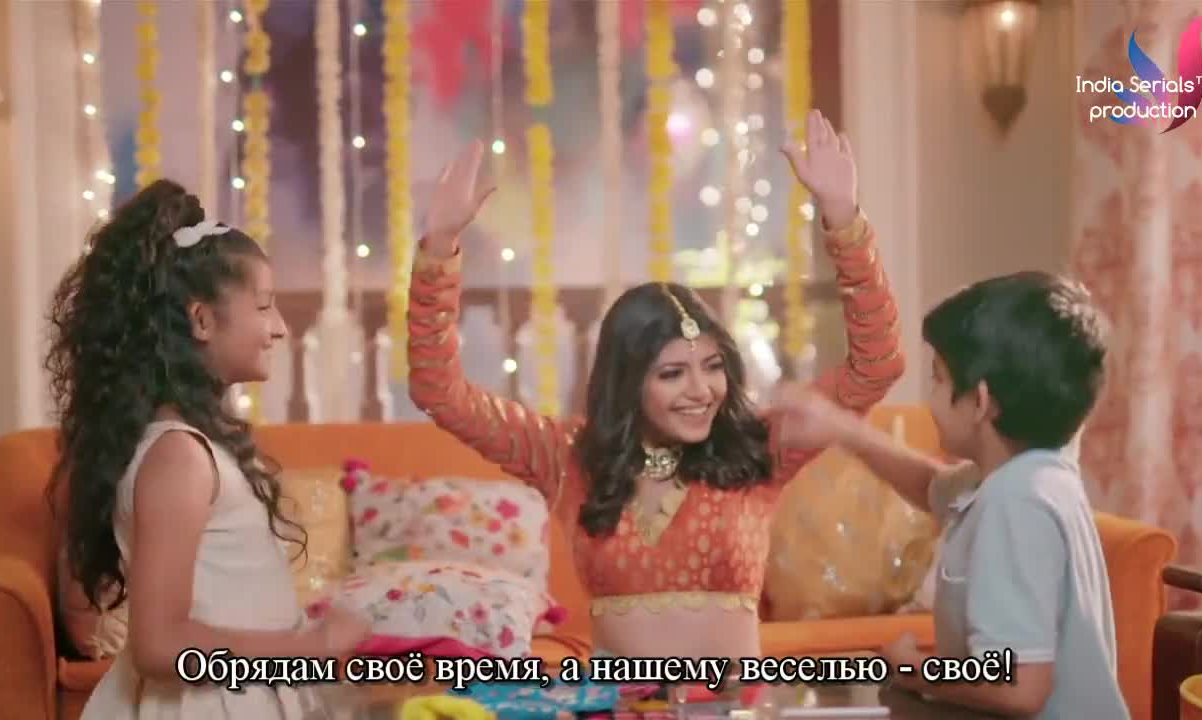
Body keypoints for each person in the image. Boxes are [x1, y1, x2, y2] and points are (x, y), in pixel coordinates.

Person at [405, 110, 906, 659]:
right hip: (615, 700)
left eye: (712, 366)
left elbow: (876, 365)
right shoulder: (567, 457)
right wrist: (439, 249)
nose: (702, 390)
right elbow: (439, 392)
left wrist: (843, 220)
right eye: (672, 374)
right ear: (628, 382)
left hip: (733, 700)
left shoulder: (757, 448)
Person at [46, 180, 370, 718]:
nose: (279, 328)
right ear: (201, 320)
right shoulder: (179, 456)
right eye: (263, 306)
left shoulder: (200, 445)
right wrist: (309, 647)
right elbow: (158, 645)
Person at [770, 272, 1127, 719]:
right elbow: (931, 486)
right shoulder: (1031, 475)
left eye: (937, 380)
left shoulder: (1015, 501)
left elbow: (1017, 684)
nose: (930, 398)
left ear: (980, 402)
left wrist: (911, 667)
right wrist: (842, 429)